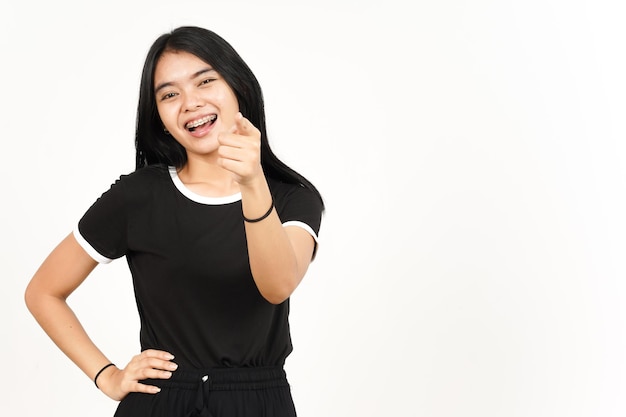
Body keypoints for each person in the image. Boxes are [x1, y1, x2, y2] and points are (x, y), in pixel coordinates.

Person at [24, 26, 324, 417]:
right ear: (160, 118)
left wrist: (252, 183)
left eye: (205, 82)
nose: (190, 103)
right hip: (160, 402)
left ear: (239, 88)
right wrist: (107, 375)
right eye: (169, 94)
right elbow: (43, 291)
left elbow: (277, 285)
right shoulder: (138, 196)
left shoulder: (293, 198)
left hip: (258, 402)